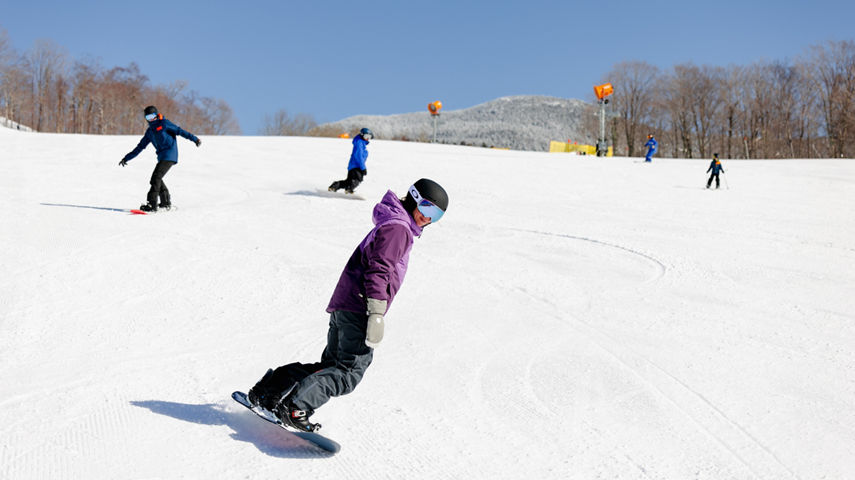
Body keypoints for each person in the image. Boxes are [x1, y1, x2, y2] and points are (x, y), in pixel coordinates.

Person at [247, 178, 449, 432]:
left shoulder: (393, 223)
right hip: (360, 307)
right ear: (414, 197)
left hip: (347, 302)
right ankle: (295, 407)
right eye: (428, 209)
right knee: (349, 372)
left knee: (330, 367)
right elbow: (379, 269)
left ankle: (269, 392)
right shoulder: (399, 229)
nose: (429, 218)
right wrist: (376, 311)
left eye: (437, 216)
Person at [119, 106, 201, 211]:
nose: (151, 119)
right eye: (148, 117)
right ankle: (165, 202)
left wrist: (195, 139)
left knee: (155, 178)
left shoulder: (164, 124)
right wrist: (127, 158)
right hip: (161, 157)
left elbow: (180, 131)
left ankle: (151, 204)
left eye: (153, 116)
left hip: (170, 154)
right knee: (158, 178)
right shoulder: (150, 131)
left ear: (157, 115)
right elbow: (140, 147)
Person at [328, 127, 373, 194]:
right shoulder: (359, 143)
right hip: (356, 166)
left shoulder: (360, 143)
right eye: (366, 136)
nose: (367, 138)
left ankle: (334, 186)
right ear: (361, 135)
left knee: (349, 181)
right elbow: (359, 156)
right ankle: (349, 189)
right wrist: (363, 168)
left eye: (369, 137)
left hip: (353, 166)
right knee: (357, 179)